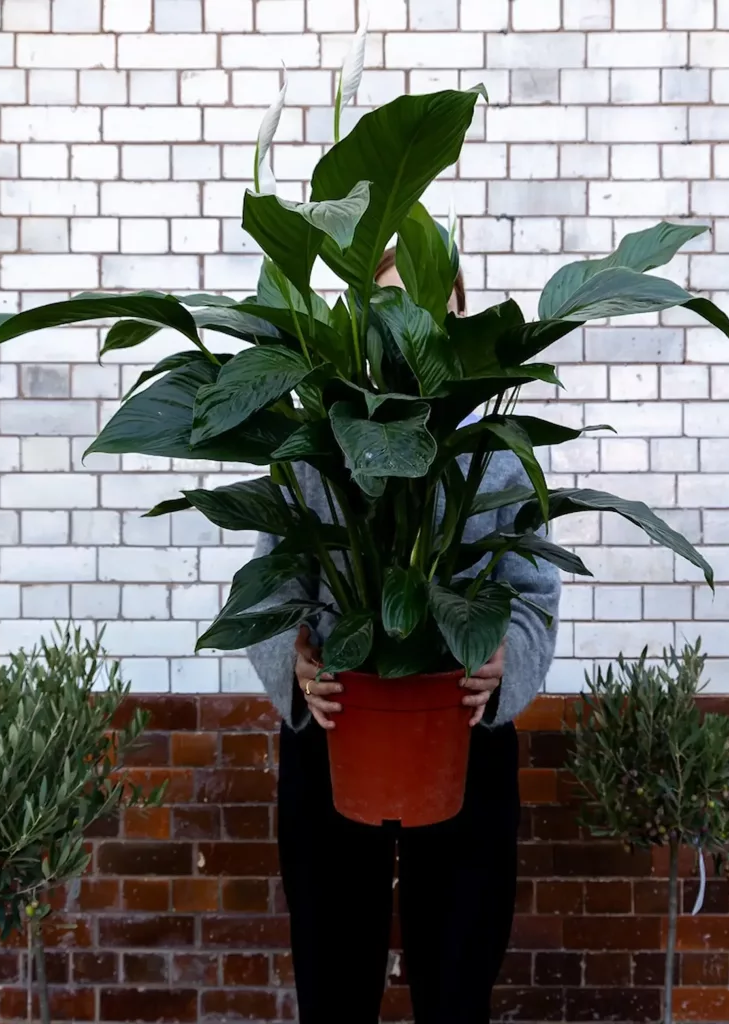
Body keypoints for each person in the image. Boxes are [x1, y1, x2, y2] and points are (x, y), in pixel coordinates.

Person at [247, 249, 561, 1024]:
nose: (411, 334)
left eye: (433, 315)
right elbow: (275, 584)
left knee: (457, 976)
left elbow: (532, 594)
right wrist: (294, 660)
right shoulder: (327, 438)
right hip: (337, 722)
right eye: (392, 311)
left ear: (458, 328)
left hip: (459, 720)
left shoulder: (494, 453)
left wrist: (502, 660)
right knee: (332, 973)